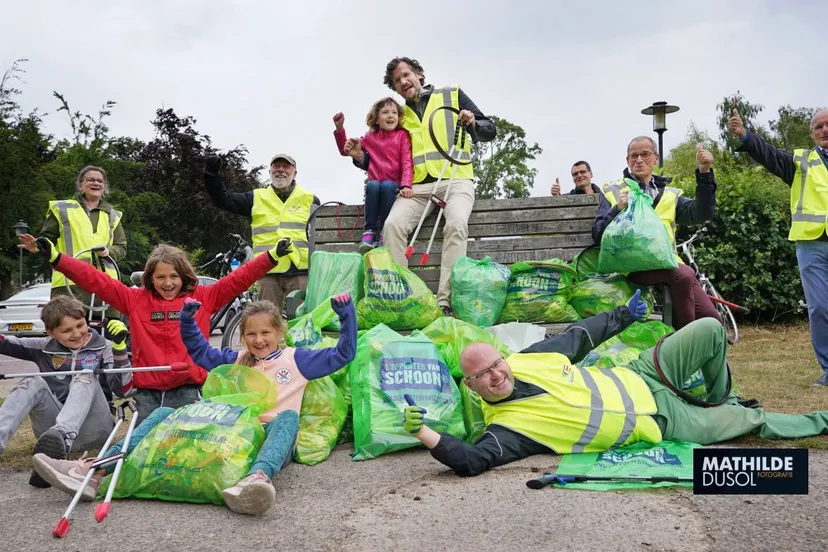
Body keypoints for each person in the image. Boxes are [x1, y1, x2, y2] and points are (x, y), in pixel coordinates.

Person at [402, 298, 828, 476]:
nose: (498, 374)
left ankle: (719, 397)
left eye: (496, 363)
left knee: (710, 329)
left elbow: (580, 336)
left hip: (643, 373)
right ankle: (819, 419)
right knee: (750, 422)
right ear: (473, 387)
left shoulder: (527, 358)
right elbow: (472, 460)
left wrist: (624, 314)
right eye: (485, 375)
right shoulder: (507, 431)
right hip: (659, 421)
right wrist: (425, 433)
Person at [34, 293, 357, 516]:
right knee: (162, 412)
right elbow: (201, 352)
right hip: (227, 430)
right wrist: (187, 321)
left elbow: (343, 354)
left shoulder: (296, 360)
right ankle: (93, 470)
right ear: (242, 336)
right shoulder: (236, 358)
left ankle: (257, 479)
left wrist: (346, 316)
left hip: (264, 435)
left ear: (279, 331)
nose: (259, 340)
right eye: (251, 334)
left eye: (266, 333)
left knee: (287, 417)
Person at [18, 234, 296, 423]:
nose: (167, 283)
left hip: (188, 386)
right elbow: (95, 280)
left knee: (182, 438)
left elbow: (240, 278)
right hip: (147, 389)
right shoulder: (134, 299)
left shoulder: (203, 297)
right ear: (150, 277)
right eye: (160, 277)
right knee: (146, 439)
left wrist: (271, 256)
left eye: (174, 276)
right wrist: (57, 258)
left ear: (185, 275)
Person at [352, 56, 496, 316]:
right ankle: (404, 299)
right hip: (415, 188)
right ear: (395, 88)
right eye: (397, 81)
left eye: (406, 75)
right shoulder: (398, 113)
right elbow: (379, 159)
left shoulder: (451, 95)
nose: (403, 82)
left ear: (419, 74)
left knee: (456, 224)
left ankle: (445, 303)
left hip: (455, 179)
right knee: (392, 225)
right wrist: (358, 157)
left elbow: (489, 130)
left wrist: (472, 121)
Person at [727, 108, 828, 386]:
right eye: (818, 126)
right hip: (811, 245)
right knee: (819, 307)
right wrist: (745, 136)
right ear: (812, 133)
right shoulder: (801, 161)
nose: (824, 130)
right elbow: (769, 155)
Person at [0, 296, 130, 487]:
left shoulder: (105, 347)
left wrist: (120, 348)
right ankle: (51, 445)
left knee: (85, 375)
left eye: (80, 324)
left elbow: (123, 390)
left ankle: (61, 442)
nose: (77, 334)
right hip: (51, 429)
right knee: (31, 380)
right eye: (67, 330)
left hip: (95, 430)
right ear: (50, 333)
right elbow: (5, 342)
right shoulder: (42, 347)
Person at [592, 136, 720, 329]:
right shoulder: (613, 192)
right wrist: (617, 208)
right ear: (627, 161)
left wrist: (704, 173)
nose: (639, 160)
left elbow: (701, 213)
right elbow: (598, 234)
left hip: (670, 263)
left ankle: (703, 353)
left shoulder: (669, 195)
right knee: (684, 275)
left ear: (655, 159)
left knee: (713, 322)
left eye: (645, 154)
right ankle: (682, 344)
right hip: (631, 267)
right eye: (633, 156)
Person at [203, 154, 320, 317]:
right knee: (267, 322)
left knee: (303, 322)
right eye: (276, 166)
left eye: (286, 167)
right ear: (270, 171)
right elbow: (223, 199)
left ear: (294, 173)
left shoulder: (310, 199)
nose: (280, 170)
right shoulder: (255, 198)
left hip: (300, 271)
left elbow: (319, 236)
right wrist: (211, 175)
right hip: (267, 270)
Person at [18, 165, 126, 324]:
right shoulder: (62, 209)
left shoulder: (113, 216)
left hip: (105, 286)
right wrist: (37, 246)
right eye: (91, 180)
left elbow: (121, 247)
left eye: (100, 181)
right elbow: (47, 240)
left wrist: (109, 251)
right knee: (68, 332)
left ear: (104, 187)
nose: (96, 183)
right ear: (80, 185)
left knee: (107, 339)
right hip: (68, 284)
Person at [333, 98, 414, 253]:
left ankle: (384, 232)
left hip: (394, 186)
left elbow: (407, 162)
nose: (391, 116)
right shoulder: (370, 138)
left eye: (394, 113)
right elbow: (346, 151)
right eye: (385, 112)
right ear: (376, 119)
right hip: (376, 185)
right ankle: (369, 231)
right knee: (373, 184)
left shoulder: (402, 136)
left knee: (387, 185)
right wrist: (340, 129)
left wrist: (406, 185)